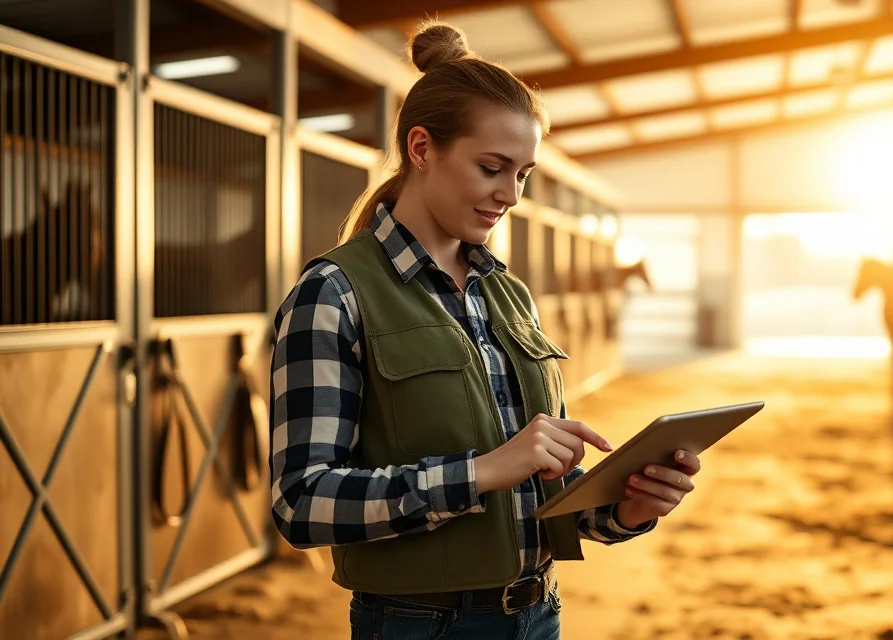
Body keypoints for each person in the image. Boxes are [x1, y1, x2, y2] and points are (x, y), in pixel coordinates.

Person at [269, 22, 702, 640]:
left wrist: (626, 506)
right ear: (422, 149)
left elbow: (535, 485)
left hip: (536, 613)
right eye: (492, 168)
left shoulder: (508, 293)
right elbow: (301, 503)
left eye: (522, 174)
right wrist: (480, 472)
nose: (512, 195)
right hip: (420, 625)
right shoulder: (333, 294)